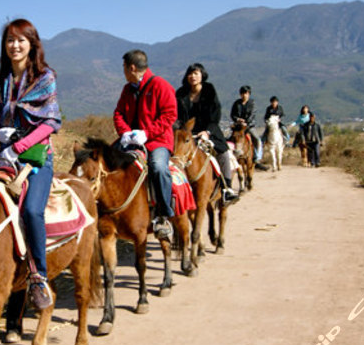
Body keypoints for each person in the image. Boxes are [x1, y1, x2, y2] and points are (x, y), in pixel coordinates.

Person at [0, 18, 61, 310]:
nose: (15, 45)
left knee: (32, 210)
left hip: (36, 158)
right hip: (6, 155)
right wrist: (1, 134)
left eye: (21, 40)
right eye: (10, 40)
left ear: (32, 44)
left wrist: (20, 145)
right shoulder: (0, 83)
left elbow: (52, 122)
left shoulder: (45, 78)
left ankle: (38, 276)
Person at [113, 49, 178, 240]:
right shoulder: (127, 89)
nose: (123, 71)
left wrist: (147, 133)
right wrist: (124, 132)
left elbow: (170, 115)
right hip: (131, 140)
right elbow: (118, 114)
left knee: (158, 168)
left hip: (157, 140)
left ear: (131, 68)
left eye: (124, 67)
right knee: (105, 161)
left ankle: (163, 215)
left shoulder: (160, 85)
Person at [175, 63, 239, 204]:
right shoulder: (180, 93)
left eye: (196, 73)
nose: (192, 76)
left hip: (209, 130)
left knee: (223, 153)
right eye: (190, 74)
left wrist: (207, 132)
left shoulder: (209, 90)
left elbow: (215, 113)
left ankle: (226, 188)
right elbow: (177, 115)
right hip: (186, 133)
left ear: (202, 75)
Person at [229, 85, 268, 171]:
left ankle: (257, 158)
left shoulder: (252, 103)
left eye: (246, 93)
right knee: (229, 139)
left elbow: (252, 115)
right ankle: (229, 156)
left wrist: (246, 122)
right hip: (237, 126)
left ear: (249, 94)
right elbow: (232, 114)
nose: (244, 95)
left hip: (249, 126)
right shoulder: (236, 103)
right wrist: (237, 119)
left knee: (257, 140)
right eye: (242, 93)